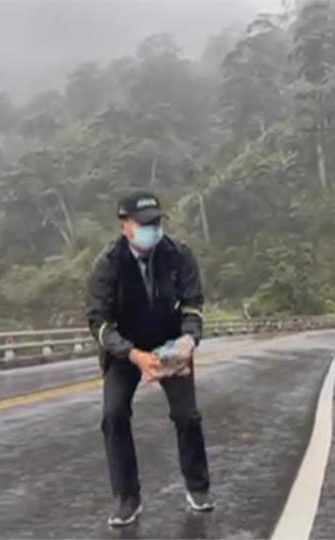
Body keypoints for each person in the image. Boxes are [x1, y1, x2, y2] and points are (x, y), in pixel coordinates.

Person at [86, 191, 213, 527]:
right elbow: (98, 323)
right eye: (144, 224)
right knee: (113, 415)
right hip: (124, 349)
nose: (152, 229)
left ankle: (198, 487)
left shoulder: (178, 254)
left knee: (187, 415)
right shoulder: (108, 264)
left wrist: (187, 342)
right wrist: (132, 355)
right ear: (124, 225)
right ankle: (127, 497)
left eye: (156, 222)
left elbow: (192, 306)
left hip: (171, 344)